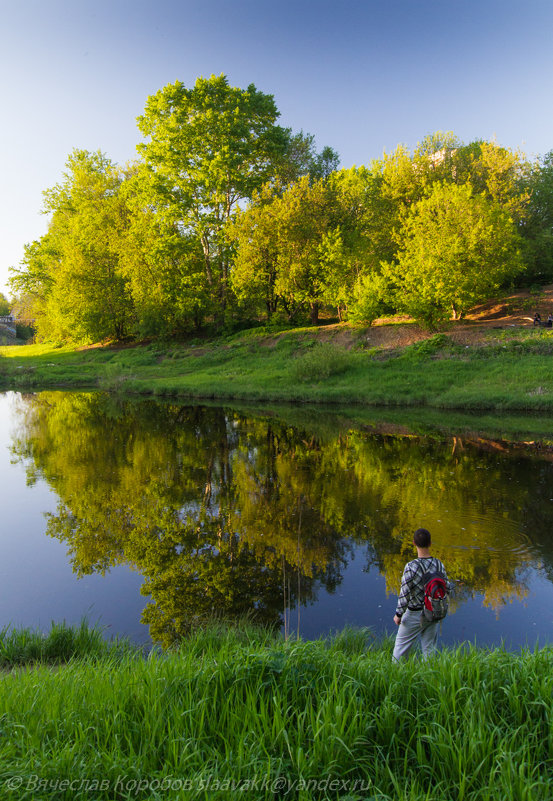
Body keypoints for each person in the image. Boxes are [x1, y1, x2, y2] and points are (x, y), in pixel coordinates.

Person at [392, 528, 450, 662]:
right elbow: (447, 588)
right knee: (429, 651)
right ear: (430, 543)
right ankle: (428, 678)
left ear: (414, 543)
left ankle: (395, 677)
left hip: (414, 614)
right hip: (433, 612)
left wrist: (398, 614)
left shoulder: (411, 566)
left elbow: (404, 593)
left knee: (399, 652)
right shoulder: (438, 564)